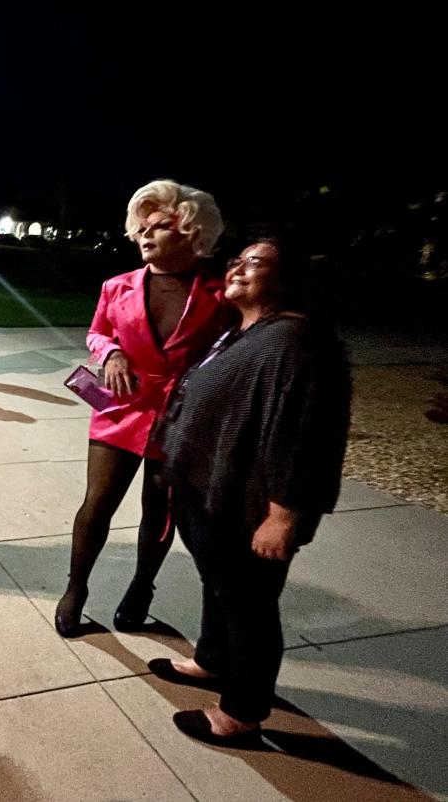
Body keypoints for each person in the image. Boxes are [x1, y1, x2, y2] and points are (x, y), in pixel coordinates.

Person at [149, 237, 351, 748]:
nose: (236, 267)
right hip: (211, 493)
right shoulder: (244, 331)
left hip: (251, 507)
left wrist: (283, 515)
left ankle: (241, 713)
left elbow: (305, 437)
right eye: (235, 260)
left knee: (250, 607)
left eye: (253, 262)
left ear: (286, 279)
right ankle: (212, 662)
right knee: (219, 587)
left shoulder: (295, 342)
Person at [55, 180, 233, 636]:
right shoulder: (117, 287)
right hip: (120, 408)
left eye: (160, 226)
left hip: (181, 419)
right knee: (97, 504)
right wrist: (110, 353)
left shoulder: (219, 294)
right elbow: (97, 333)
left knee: (160, 512)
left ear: (192, 233)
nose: (145, 235)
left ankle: (141, 588)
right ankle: (76, 588)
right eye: (142, 227)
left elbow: (235, 350)